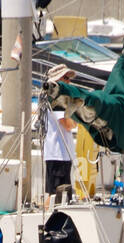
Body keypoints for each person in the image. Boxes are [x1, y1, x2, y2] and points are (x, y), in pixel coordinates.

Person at [43, 65, 78, 200]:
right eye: (66, 78)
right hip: (57, 153)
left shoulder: (60, 101)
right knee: (54, 194)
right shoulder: (56, 101)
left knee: (61, 193)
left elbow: (71, 123)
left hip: (62, 153)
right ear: (57, 80)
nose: (69, 81)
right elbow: (69, 125)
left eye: (69, 78)